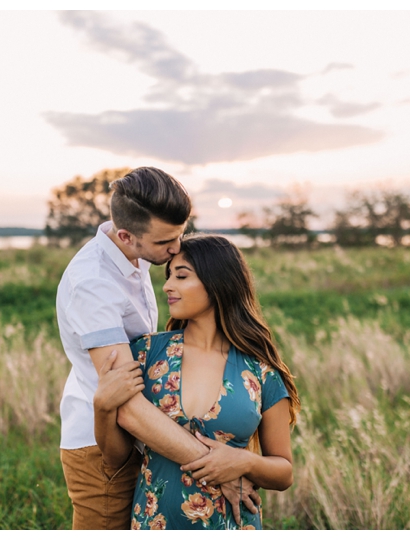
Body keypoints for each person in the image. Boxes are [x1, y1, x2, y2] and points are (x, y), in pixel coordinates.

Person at [56, 168, 259, 530]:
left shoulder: (133, 255)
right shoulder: (93, 285)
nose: (177, 248)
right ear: (125, 235)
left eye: (180, 235)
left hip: (149, 439)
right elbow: (126, 405)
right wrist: (218, 467)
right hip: (101, 445)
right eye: (167, 241)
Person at [94, 234, 301, 530]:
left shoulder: (261, 372)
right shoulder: (146, 353)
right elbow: (116, 457)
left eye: (181, 276)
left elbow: (284, 473)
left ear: (217, 281)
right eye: (169, 276)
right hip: (154, 525)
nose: (167, 286)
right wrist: (102, 408)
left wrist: (244, 463)